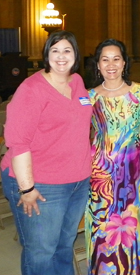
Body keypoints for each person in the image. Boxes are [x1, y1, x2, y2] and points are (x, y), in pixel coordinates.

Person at [1, 30, 92, 275]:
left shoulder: (77, 82)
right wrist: (27, 189)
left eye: (67, 50)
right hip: (41, 184)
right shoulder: (31, 89)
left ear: (76, 55)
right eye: (55, 50)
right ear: (46, 55)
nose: (61, 57)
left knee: (64, 246)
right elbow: (18, 144)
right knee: (41, 251)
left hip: (77, 181)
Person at [85, 39, 140, 275]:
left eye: (116, 58)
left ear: (124, 63)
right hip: (101, 183)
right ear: (97, 65)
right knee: (103, 234)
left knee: (134, 233)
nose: (111, 64)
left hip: (134, 182)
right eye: (104, 59)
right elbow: (82, 138)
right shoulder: (89, 97)